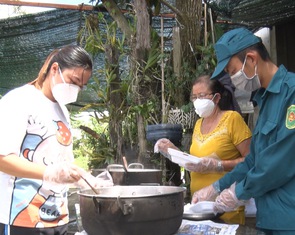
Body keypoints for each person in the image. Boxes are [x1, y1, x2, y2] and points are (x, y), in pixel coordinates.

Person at [0, 45, 112, 235]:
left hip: (57, 215)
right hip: (22, 217)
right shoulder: (18, 101)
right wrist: (49, 172)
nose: (76, 89)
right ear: (54, 69)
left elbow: (62, 162)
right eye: (74, 81)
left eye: (81, 86)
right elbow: (3, 160)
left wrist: (83, 177)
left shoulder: (63, 111)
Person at [193, 27, 295, 234]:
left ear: (251, 59)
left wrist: (238, 192)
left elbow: (279, 163)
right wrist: (217, 187)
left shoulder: (291, 94)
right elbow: (253, 160)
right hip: (269, 217)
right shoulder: (264, 100)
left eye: (232, 71)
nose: (232, 80)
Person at [155, 75, 251, 224]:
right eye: (194, 97)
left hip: (227, 207)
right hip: (200, 209)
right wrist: (173, 151)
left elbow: (251, 161)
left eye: (201, 96)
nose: (197, 101)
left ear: (216, 98)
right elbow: (197, 161)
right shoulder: (199, 124)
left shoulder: (232, 119)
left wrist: (218, 165)